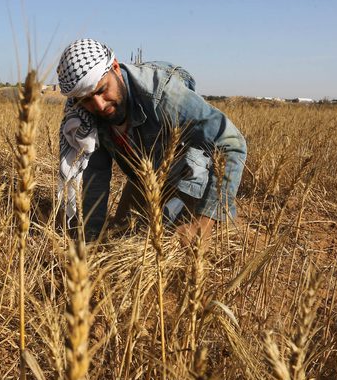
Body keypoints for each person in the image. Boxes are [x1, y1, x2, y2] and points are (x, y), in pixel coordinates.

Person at [56, 38, 247, 243]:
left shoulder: (163, 95)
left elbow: (231, 143)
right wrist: (91, 238)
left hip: (188, 173)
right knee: (122, 232)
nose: (99, 105)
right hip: (145, 175)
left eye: (102, 90)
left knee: (175, 241)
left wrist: (204, 222)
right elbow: (96, 175)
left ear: (116, 68)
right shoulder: (86, 118)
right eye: (86, 99)